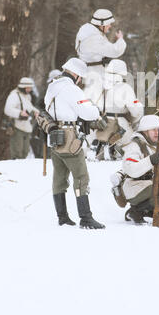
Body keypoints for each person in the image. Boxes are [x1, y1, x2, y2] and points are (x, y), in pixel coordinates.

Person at [44, 57, 105, 229]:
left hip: (55, 137)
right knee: (81, 177)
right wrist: (95, 110)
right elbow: (88, 113)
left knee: (59, 178)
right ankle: (86, 218)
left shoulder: (52, 87)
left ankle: (62, 217)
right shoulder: (71, 89)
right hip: (70, 138)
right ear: (76, 75)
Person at [119, 114, 159, 224]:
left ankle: (140, 210)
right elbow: (131, 169)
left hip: (148, 187)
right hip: (135, 187)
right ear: (145, 131)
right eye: (153, 130)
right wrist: (150, 160)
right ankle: (136, 211)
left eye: (158, 130)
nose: (157, 133)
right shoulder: (135, 145)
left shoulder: (152, 145)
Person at [91, 59, 144, 160]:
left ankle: (101, 147)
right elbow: (136, 112)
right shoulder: (125, 88)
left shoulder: (99, 86)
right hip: (120, 125)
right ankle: (114, 149)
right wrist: (134, 120)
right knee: (133, 144)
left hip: (101, 124)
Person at [4, 77, 39, 159]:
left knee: (25, 152)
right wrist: (19, 113)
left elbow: (30, 107)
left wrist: (35, 112)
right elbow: (7, 109)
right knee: (17, 152)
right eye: (28, 88)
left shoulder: (27, 96)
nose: (30, 90)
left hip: (26, 127)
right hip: (16, 127)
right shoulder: (14, 95)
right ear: (23, 87)